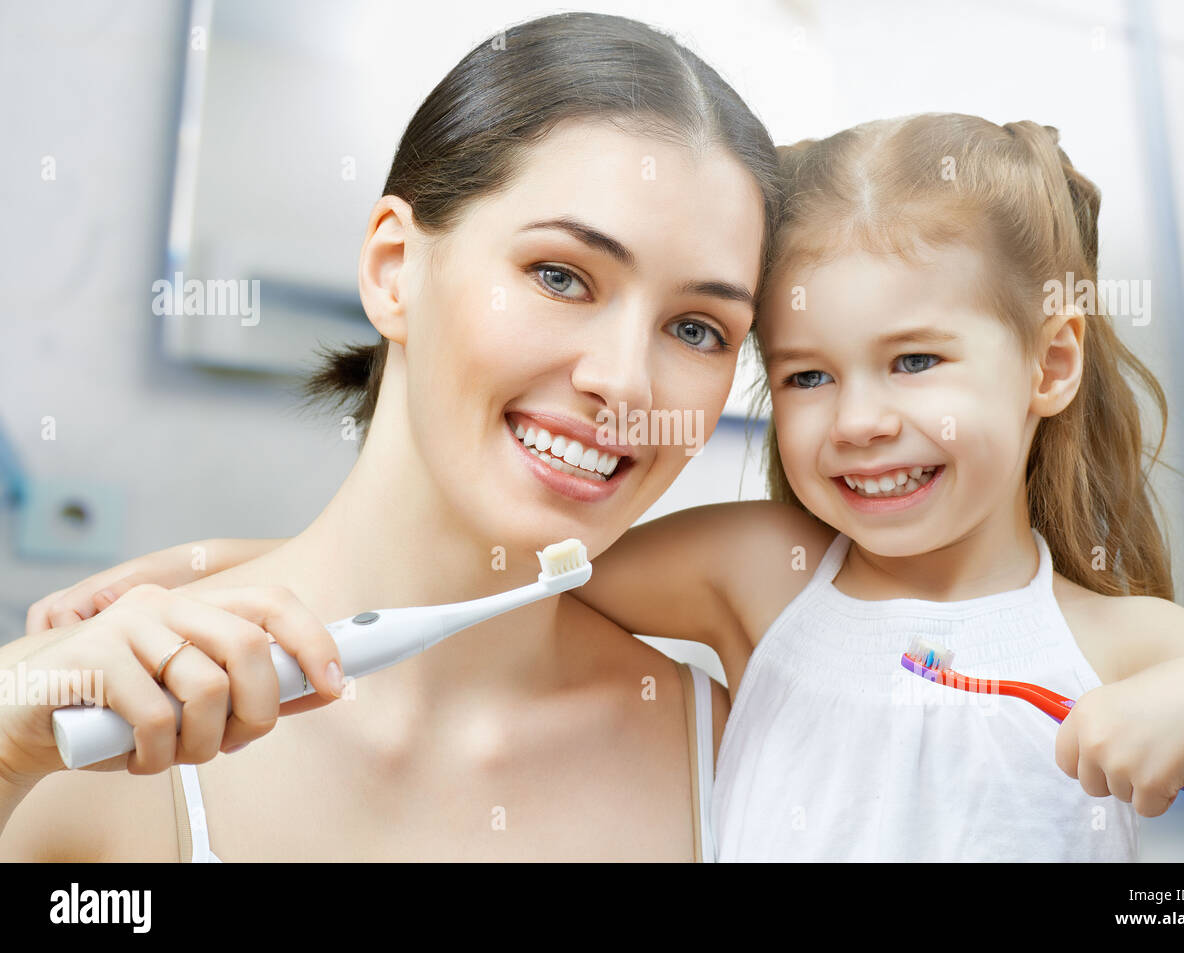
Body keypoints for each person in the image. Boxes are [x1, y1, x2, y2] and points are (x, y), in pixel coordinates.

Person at [0, 11, 781, 862]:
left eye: (699, 329)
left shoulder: (743, 766)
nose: (626, 381)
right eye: (561, 276)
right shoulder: (79, 736)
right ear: (393, 269)